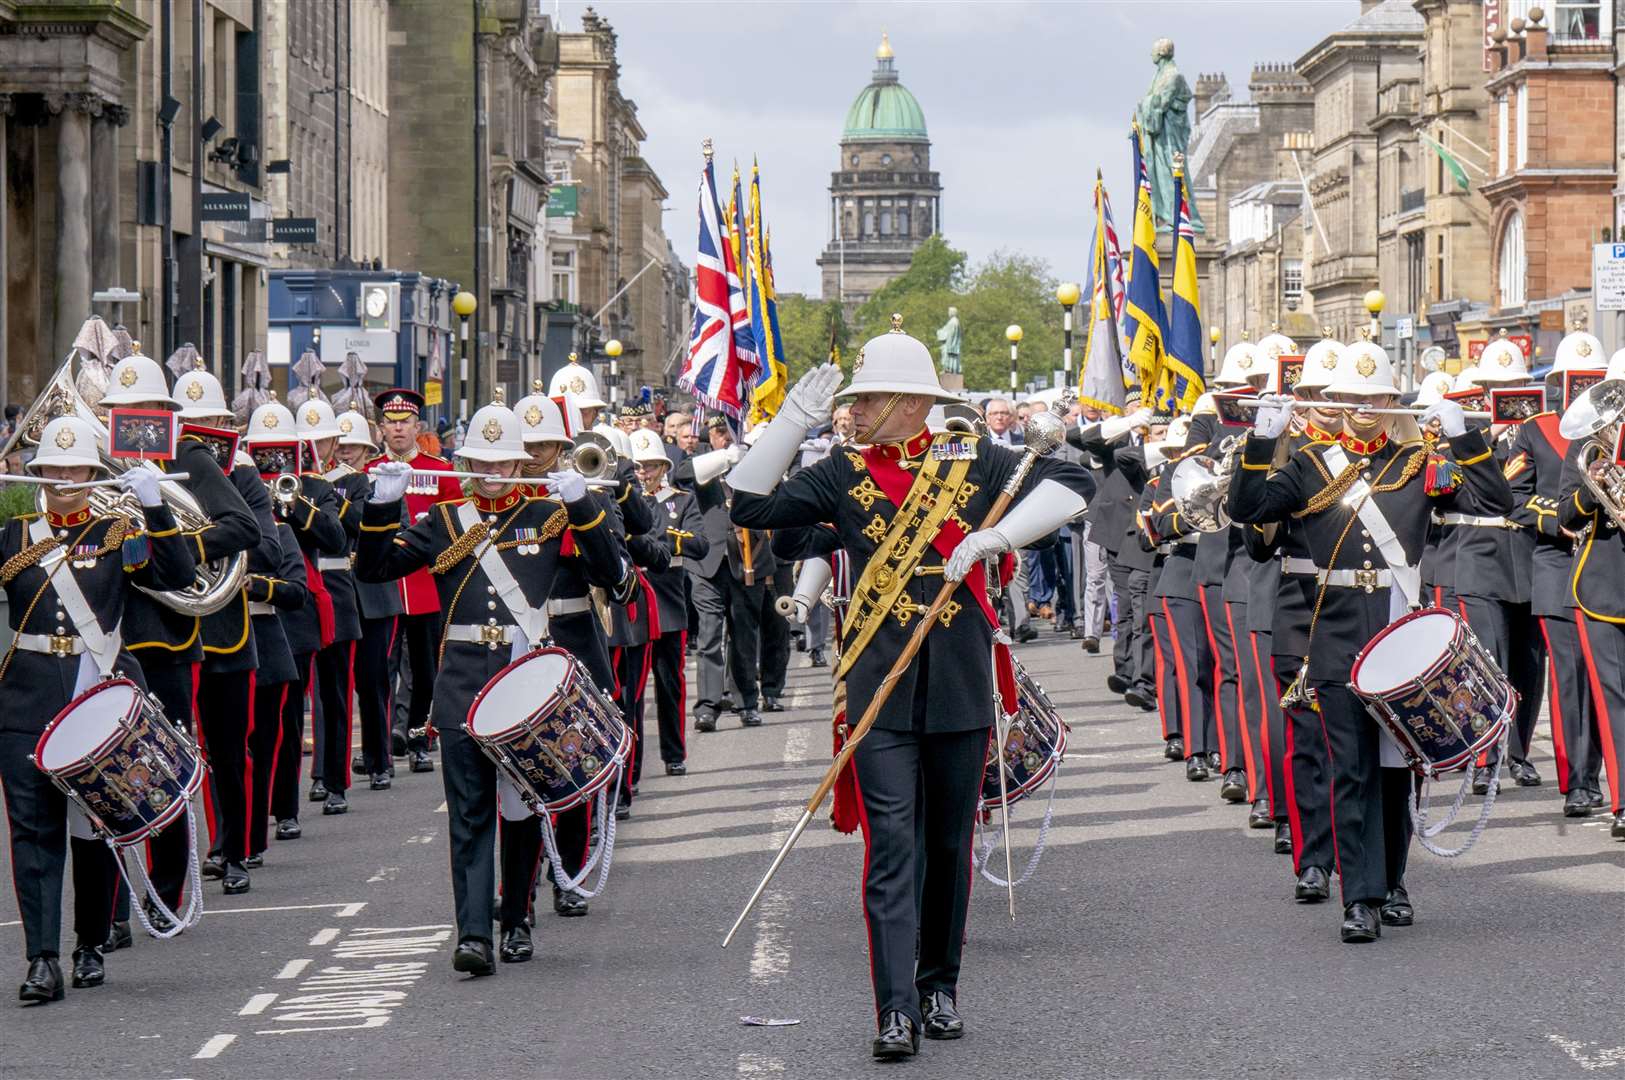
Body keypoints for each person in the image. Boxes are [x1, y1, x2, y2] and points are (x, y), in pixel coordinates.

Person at [728, 319, 1094, 1058]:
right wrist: (789, 423)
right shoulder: (840, 471)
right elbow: (748, 507)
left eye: (866, 400)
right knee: (892, 845)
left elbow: (1076, 481)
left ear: (907, 403)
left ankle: (939, 986)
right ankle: (892, 1008)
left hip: (957, 680)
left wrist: (996, 537)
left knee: (949, 847)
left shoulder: (977, 461)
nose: (853, 412)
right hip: (877, 683)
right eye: (852, 403)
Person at [1228, 338, 1513, 942]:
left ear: (1390, 400)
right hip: (1331, 634)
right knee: (1350, 768)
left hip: (1399, 634)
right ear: (1336, 400)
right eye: (1349, 397)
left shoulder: (1416, 463)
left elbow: (1495, 500)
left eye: (1372, 395)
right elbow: (1247, 508)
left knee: (1397, 769)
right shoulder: (1309, 466)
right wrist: (1260, 441)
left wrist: (1464, 438)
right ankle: (1358, 898)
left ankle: (1393, 882)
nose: (1360, 405)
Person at [356, 399, 623, 976]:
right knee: (470, 813)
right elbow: (373, 570)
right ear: (467, 460)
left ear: (521, 464)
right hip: (462, 682)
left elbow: (611, 573)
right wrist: (382, 505)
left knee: (521, 809)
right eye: (483, 461)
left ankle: (519, 918)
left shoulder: (549, 517)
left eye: (505, 462)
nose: (494, 473)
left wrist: (584, 504)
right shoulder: (445, 520)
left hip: (523, 680)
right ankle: (473, 934)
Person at [0, 415, 196, 1002]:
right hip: (26, 697)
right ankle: (42, 959)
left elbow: (179, 577)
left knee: (95, 827)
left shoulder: (116, 531)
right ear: (38, 473)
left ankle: (89, 942)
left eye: (76, 468)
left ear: (91, 472)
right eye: (53, 469)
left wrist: (156, 510)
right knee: (32, 832)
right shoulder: (13, 534)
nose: (64, 477)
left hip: (96, 695)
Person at [112, 355, 264, 905]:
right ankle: (112, 907)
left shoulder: (187, 456)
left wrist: (173, 550)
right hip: (106, 632)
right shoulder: (95, 464)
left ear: (162, 412)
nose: (131, 417)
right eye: (119, 409)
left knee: (163, 764)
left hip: (166, 633)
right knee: (104, 775)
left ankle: (166, 886)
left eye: (142, 408)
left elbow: (244, 526)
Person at [1510, 333, 1605, 816]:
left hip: (1607, 568)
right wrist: (1559, 522)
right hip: (1557, 569)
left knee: (1605, 683)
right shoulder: (1535, 430)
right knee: (1570, 681)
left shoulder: (1613, 431)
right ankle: (1577, 782)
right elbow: (1515, 499)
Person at [368, 388, 463, 774]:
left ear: (417, 426)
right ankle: (387, 739)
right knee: (382, 670)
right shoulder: (369, 471)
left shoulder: (438, 469)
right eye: (391, 423)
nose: (398, 429)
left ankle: (421, 737)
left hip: (426, 584)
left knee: (425, 670)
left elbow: (457, 525)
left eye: (404, 422)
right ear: (381, 430)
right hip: (383, 587)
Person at [297, 400, 366, 814]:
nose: (314, 446)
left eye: (321, 438)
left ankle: (335, 778)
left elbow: (356, 526)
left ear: (335, 441)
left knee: (336, 691)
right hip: (299, 587)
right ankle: (312, 775)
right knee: (301, 696)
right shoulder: (285, 478)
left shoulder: (350, 481)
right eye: (306, 439)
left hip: (337, 585)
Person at [334, 411, 403, 790]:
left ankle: (380, 759)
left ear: (366, 450)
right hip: (338, 593)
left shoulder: (384, 481)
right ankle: (331, 771)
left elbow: (388, 526)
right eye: (340, 447)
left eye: (353, 448)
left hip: (375, 594)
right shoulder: (318, 485)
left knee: (375, 682)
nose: (345, 454)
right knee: (335, 688)